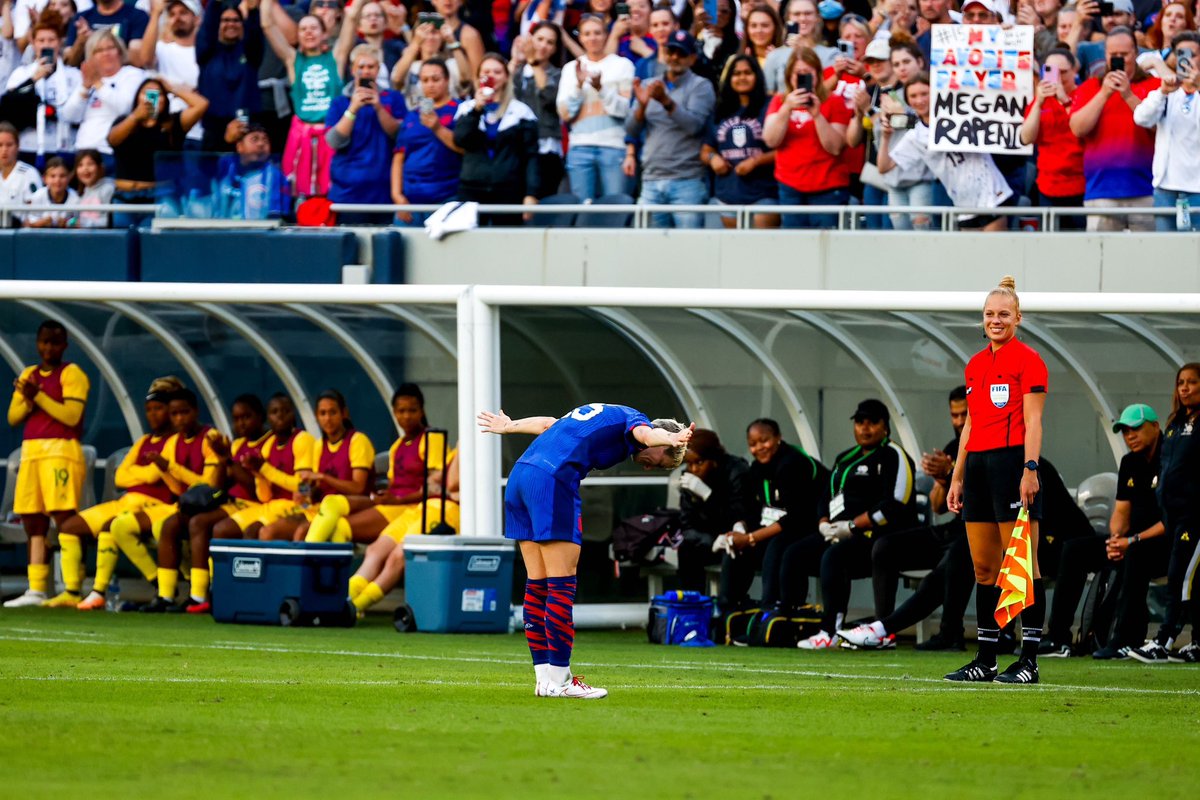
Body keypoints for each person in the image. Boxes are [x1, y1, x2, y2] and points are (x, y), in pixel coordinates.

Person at [478, 402, 694, 699]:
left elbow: (549, 423)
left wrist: (510, 426)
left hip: (521, 477)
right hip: (552, 480)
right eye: (657, 463)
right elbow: (646, 434)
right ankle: (563, 681)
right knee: (561, 585)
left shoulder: (609, 417)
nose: (646, 466)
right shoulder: (638, 422)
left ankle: (545, 681)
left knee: (537, 583)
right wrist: (667, 439)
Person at [945, 276, 1048, 685]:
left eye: (1004, 314)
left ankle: (1030, 660)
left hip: (1012, 465)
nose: (996, 320)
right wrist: (957, 476)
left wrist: (1030, 468)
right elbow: (970, 424)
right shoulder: (974, 364)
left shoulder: (1030, 360)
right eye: (990, 314)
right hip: (979, 470)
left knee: (1021, 564)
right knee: (985, 567)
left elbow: (1035, 420)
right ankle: (986, 659)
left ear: (1018, 318)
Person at [840, 386, 970, 650]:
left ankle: (949, 633)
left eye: (964, 415)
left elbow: (988, 492)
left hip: (981, 531)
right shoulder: (953, 447)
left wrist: (953, 471)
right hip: (955, 527)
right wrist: (944, 479)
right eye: (954, 415)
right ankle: (882, 629)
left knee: (955, 557)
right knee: (885, 547)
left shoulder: (990, 443)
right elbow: (938, 506)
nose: (958, 422)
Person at [790, 399, 918, 649]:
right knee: (793, 554)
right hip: (840, 532)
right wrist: (823, 522)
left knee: (834, 557)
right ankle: (790, 620)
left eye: (872, 422)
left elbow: (896, 504)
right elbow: (826, 495)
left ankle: (831, 630)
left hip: (881, 538)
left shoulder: (894, 455)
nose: (865, 428)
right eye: (860, 422)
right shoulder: (844, 458)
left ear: (885, 426)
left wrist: (852, 526)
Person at [64, 376, 182, 611]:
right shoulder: (144, 441)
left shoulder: (176, 441)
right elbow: (120, 477)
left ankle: (108, 590)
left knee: (111, 526)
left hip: (154, 505)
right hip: (127, 500)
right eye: (149, 409)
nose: (153, 414)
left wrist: (140, 473)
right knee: (69, 526)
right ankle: (71, 592)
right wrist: (144, 472)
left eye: (159, 408)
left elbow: (153, 477)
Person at [2, 320, 89, 609]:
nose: (48, 347)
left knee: (64, 516)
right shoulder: (29, 374)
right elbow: (13, 417)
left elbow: (71, 416)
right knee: (32, 519)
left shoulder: (72, 373)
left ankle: (72, 587)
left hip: (61, 451)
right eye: (44, 342)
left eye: (55, 342)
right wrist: (29, 400)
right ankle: (37, 588)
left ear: (64, 345)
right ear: (37, 343)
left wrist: (36, 396)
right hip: (32, 452)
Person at [304, 384, 444, 544]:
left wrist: (396, 500)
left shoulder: (432, 438)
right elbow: (394, 486)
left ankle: (304, 560)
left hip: (414, 509)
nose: (406, 416)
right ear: (394, 414)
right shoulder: (397, 446)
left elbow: (436, 488)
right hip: (391, 505)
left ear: (422, 411)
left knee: (338, 525)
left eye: (412, 410)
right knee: (330, 506)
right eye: (401, 411)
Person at [716, 418, 827, 616]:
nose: (759, 448)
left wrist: (751, 538)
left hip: (813, 526)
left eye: (764, 440)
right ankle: (728, 610)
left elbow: (795, 517)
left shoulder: (792, 463)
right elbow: (753, 509)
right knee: (735, 549)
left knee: (777, 544)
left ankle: (773, 609)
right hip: (781, 527)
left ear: (778, 438)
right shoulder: (757, 468)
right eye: (753, 444)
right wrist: (740, 528)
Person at [878, 73, 1014, 232]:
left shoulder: (960, 111)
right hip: (964, 205)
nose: (919, 100)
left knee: (995, 254)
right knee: (973, 256)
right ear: (908, 101)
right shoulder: (915, 135)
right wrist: (885, 138)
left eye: (924, 94)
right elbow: (884, 167)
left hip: (993, 194)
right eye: (913, 96)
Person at [1129, 364, 1200, 664]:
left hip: (1196, 516)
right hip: (1175, 515)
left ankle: (1164, 639)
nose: (1185, 388)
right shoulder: (1174, 423)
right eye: (1181, 382)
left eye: (1192, 382)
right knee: (1190, 578)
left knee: (1179, 578)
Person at [130, 387, 225, 612]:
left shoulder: (209, 438)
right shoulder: (173, 442)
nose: (179, 418)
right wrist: (166, 471)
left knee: (196, 524)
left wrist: (170, 467)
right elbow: (176, 486)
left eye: (184, 412)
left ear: (196, 411)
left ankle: (199, 595)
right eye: (174, 414)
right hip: (192, 504)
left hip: (216, 501)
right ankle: (165, 595)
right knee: (169, 525)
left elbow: (209, 485)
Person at [181, 393, 269, 613]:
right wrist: (222, 459)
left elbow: (254, 488)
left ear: (260, 417)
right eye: (236, 418)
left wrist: (229, 460)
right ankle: (198, 594)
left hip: (256, 504)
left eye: (246, 417)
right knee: (197, 523)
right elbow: (219, 486)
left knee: (220, 530)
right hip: (233, 502)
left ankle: (219, 590)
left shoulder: (267, 444)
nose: (241, 423)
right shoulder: (237, 445)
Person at [262, 0, 356, 202]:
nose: (308, 32)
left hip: (331, 137)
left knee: (332, 193)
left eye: (314, 28)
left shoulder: (336, 57)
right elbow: (267, 25)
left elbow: (353, 16)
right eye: (303, 29)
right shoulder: (292, 60)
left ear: (324, 34)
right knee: (300, 195)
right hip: (301, 137)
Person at [1068, 27, 1159, 232]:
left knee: (1148, 260)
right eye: (1113, 55)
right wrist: (1104, 94)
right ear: (1105, 55)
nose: (1119, 59)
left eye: (1124, 54)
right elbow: (1077, 129)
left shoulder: (1154, 86)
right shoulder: (1090, 87)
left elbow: (1158, 127)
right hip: (1101, 191)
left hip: (1146, 190)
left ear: (1136, 53)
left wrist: (1127, 95)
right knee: (1101, 261)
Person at [1097, 404, 1170, 658]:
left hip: (1170, 542)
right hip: (1133, 540)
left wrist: (1131, 540)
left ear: (1156, 426)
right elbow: (1121, 511)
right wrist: (1115, 540)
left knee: (1136, 553)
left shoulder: (1171, 457)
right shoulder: (1130, 462)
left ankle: (1125, 639)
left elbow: (1172, 519)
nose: (1130, 436)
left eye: (1136, 429)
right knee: (1075, 549)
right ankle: (1059, 638)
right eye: (1126, 431)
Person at [350, 449, 461, 615]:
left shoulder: (471, 450)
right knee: (375, 550)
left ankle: (355, 606)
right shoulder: (456, 453)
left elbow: (452, 483)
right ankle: (347, 599)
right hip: (423, 507)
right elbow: (432, 480)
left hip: (448, 510)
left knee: (397, 557)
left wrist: (461, 449)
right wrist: (438, 485)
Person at [257, 389, 374, 542]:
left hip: (352, 508)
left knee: (301, 534)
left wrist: (323, 476)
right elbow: (314, 486)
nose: (328, 419)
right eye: (323, 413)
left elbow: (358, 488)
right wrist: (304, 494)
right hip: (318, 509)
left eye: (333, 412)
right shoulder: (319, 445)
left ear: (344, 413)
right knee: (267, 532)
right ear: (317, 416)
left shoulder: (358, 441)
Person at [625, 30, 715, 227]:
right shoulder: (649, 85)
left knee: (689, 250)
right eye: (671, 51)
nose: (675, 57)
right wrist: (641, 106)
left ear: (692, 58)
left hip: (687, 182)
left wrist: (665, 101)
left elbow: (694, 126)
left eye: (681, 53)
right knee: (648, 250)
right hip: (651, 180)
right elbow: (630, 130)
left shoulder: (701, 86)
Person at [763, 46, 850, 229]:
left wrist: (817, 115)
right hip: (790, 186)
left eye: (807, 73)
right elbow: (771, 140)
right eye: (798, 74)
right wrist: (786, 109)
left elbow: (835, 147)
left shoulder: (833, 101)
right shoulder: (779, 101)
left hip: (827, 185)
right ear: (789, 76)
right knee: (795, 247)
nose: (802, 78)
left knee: (828, 247)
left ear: (817, 74)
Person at [212, 394, 315, 542]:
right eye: (274, 412)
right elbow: (264, 496)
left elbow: (302, 487)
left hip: (299, 506)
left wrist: (264, 469)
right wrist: (257, 473)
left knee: (252, 533)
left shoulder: (303, 439)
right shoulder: (268, 446)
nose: (280, 416)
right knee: (220, 530)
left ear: (293, 415)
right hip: (270, 505)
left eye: (285, 411)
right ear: (268, 418)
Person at [107, 75, 207, 227]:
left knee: (153, 244)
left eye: (158, 93)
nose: (152, 98)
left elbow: (201, 104)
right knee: (120, 245)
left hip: (160, 196)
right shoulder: (124, 121)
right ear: (137, 98)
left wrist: (172, 88)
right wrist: (135, 117)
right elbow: (112, 140)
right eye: (146, 92)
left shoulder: (173, 124)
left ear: (165, 99)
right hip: (124, 196)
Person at [453, 52, 541, 225]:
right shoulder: (467, 108)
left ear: (507, 77)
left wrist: (531, 193)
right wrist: (477, 109)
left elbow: (531, 156)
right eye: (486, 72)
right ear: (478, 77)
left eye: (497, 72)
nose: (491, 76)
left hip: (508, 189)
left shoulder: (521, 112)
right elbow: (461, 140)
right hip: (472, 188)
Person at [557, 12, 634, 201]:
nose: (592, 38)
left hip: (614, 145)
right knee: (582, 208)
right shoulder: (570, 69)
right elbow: (565, 113)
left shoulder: (623, 65)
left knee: (616, 206)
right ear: (580, 37)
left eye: (597, 33)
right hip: (579, 147)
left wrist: (601, 88)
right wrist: (577, 86)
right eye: (587, 33)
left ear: (606, 35)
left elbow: (625, 110)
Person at [325, 43, 404, 224]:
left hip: (383, 192)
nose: (366, 71)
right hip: (347, 193)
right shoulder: (339, 102)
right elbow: (334, 142)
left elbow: (399, 135)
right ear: (353, 70)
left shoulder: (393, 98)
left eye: (371, 66)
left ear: (378, 69)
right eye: (361, 67)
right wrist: (353, 108)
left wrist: (378, 107)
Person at [1133, 32, 1200, 232]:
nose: (1187, 59)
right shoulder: (1167, 89)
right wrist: (1162, 91)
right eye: (1182, 54)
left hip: (1197, 189)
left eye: (1193, 54)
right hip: (1166, 189)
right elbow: (1141, 118)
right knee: (1167, 250)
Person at [701, 53, 778, 227]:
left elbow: (787, 151)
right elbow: (706, 150)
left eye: (747, 73)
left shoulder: (770, 105)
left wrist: (756, 161)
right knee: (730, 252)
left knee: (763, 251)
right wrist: (714, 159)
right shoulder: (720, 110)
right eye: (736, 74)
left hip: (763, 195)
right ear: (729, 78)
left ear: (757, 76)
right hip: (726, 197)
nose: (742, 77)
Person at [673, 428, 750, 592]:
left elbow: (740, 515)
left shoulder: (736, 471)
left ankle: (730, 607)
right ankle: (692, 605)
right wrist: (711, 541)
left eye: (699, 462)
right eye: (689, 463)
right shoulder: (688, 478)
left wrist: (708, 495)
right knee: (687, 549)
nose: (693, 469)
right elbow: (687, 526)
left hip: (735, 538)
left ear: (714, 458)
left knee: (734, 552)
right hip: (709, 540)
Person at [3, 10, 81, 166]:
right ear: (33, 43)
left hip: (65, 146)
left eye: (51, 40)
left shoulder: (74, 75)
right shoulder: (21, 74)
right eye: (41, 40)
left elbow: (79, 113)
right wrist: (33, 80)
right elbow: (8, 109)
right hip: (29, 146)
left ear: (60, 42)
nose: (46, 45)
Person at [391, 58, 464, 224]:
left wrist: (438, 128)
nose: (430, 84)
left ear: (447, 80)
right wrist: (397, 195)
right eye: (425, 80)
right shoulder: (412, 115)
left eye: (435, 79)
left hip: (448, 197)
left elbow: (466, 149)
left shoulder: (461, 109)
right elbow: (398, 157)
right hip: (410, 201)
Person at [1020, 47, 1086, 230]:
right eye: (1051, 72)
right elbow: (1026, 137)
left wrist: (1064, 99)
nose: (1057, 78)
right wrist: (1039, 102)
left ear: (1075, 71)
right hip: (1048, 186)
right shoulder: (1040, 101)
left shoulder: (1084, 95)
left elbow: (1084, 132)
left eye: (1063, 72)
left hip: (1080, 184)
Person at [57, 29, 145, 162]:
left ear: (119, 51)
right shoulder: (87, 79)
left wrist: (98, 84)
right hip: (84, 150)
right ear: (91, 57)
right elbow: (69, 116)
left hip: (112, 151)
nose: (106, 54)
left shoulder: (132, 75)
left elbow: (125, 108)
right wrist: (84, 88)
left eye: (110, 48)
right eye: (99, 51)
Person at [196, 0, 264, 153]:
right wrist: (215, 4)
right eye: (225, 20)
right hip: (214, 132)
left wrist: (253, 13)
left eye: (236, 20)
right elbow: (208, 31)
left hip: (246, 129)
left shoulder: (250, 53)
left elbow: (254, 38)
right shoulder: (207, 53)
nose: (231, 24)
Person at [511, 21, 565, 197]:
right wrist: (515, 60)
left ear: (555, 49)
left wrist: (534, 63)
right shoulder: (517, 72)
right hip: (517, 145)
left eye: (550, 42)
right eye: (540, 39)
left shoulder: (559, 74)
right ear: (530, 40)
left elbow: (549, 98)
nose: (543, 45)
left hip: (546, 145)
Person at [140, 0, 203, 151]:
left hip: (198, 132)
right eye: (172, 14)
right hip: (166, 133)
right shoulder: (162, 49)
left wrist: (175, 88)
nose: (177, 17)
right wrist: (156, 14)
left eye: (184, 13)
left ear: (197, 18)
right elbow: (145, 59)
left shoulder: (206, 53)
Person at [391, 13, 472, 109]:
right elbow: (396, 80)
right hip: (417, 119)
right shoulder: (410, 66)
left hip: (448, 118)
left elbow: (466, 79)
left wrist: (452, 41)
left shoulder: (451, 64)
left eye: (434, 32)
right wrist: (416, 43)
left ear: (442, 38)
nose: (429, 37)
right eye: (425, 33)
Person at [214, 121, 288, 219]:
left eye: (265, 140)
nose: (261, 144)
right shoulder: (226, 165)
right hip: (220, 230)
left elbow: (275, 216)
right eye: (254, 139)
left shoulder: (274, 176)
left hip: (256, 232)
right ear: (240, 146)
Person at [764, 0, 837, 94]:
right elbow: (769, 96)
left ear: (817, 17)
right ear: (788, 18)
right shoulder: (774, 56)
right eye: (796, 14)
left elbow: (834, 93)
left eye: (808, 13)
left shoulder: (832, 54)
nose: (802, 18)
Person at [64, 0, 150, 67]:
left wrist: (94, 40)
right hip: (88, 80)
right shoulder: (81, 18)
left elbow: (137, 60)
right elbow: (68, 63)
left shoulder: (137, 16)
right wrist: (80, 42)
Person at [0, 122, 42, 224]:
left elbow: (37, 212)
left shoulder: (29, 173)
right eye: (0, 145)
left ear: (18, 147)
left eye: (9, 145)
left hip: (19, 233)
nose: (4, 150)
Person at [23, 156, 76, 227]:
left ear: (69, 177)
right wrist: (41, 223)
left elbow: (77, 222)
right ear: (44, 178)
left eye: (62, 176)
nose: (57, 180)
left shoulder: (75, 198)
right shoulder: (38, 196)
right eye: (53, 176)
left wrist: (67, 224)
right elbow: (29, 221)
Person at [634, 2, 676, 80]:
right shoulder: (642, 65)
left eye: (665, 24)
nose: (660, 29)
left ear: (676, 26)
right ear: (650, 30)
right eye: (655, 25)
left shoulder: (688, 60)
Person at [72, 147, 113, 227]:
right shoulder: (80, 194)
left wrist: (84, 224)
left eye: (90, 164)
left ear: (100, 167)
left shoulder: (108, 189)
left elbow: (108, 221)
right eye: (80, 165)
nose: (85, 169)